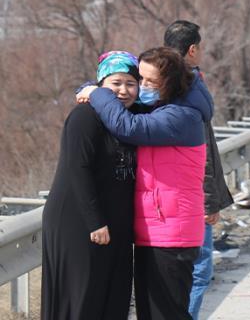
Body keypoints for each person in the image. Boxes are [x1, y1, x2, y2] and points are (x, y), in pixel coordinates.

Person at [78, 47, 213, 319]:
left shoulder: (180, 117)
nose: (144, 86)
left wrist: (97, 92)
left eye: (152, 81)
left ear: (171, 82)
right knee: (152, 312)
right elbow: (125, 107)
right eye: (142, 78)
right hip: (157, 229)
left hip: (172, 233)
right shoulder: (165, 105)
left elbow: (128, 126)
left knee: (167, 313)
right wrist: (98, 88)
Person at [42, 51, 140, 319]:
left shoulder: (130, 120)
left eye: (131, 83)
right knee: (82, 298)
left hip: (115, 224)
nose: (123, 91)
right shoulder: (85, 117)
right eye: (116, 83)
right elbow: (77, 168)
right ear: (100, 86)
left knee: (114, 299)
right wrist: (94, 221)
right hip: (79, 221)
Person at [164, 19, 233, 319]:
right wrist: (210, 199)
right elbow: (200, 151)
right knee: (199, 271)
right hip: (191, 196)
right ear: (192, 50)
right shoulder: (190, 86)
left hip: (163, 192)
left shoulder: (154, 82)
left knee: (173, 273)